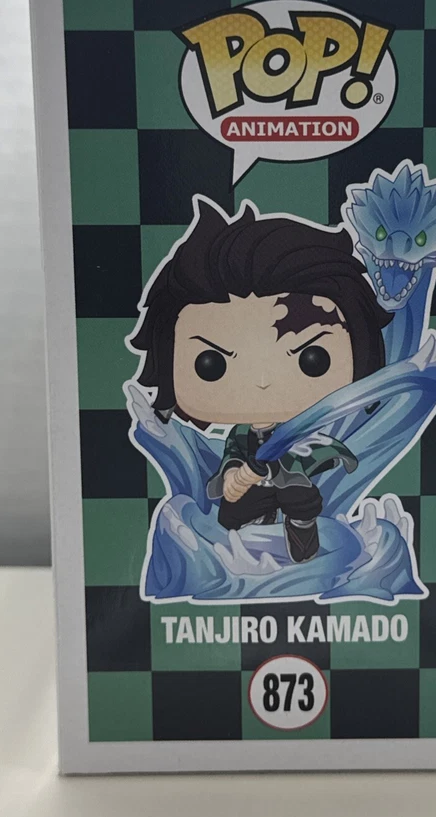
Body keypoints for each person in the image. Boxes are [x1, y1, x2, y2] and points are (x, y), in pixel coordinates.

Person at [128, 199, 392, 562]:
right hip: (250, 491)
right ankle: (250, 538)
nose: (263, 382)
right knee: (234, 512)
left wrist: (316, 460)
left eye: (313, 359)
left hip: (293, 483)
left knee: (301, 498)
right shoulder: (240, 435)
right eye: (211, 364)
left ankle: (301, 535)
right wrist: (234, 476)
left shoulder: (303, 429)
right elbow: (231, 460)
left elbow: (324, 449)